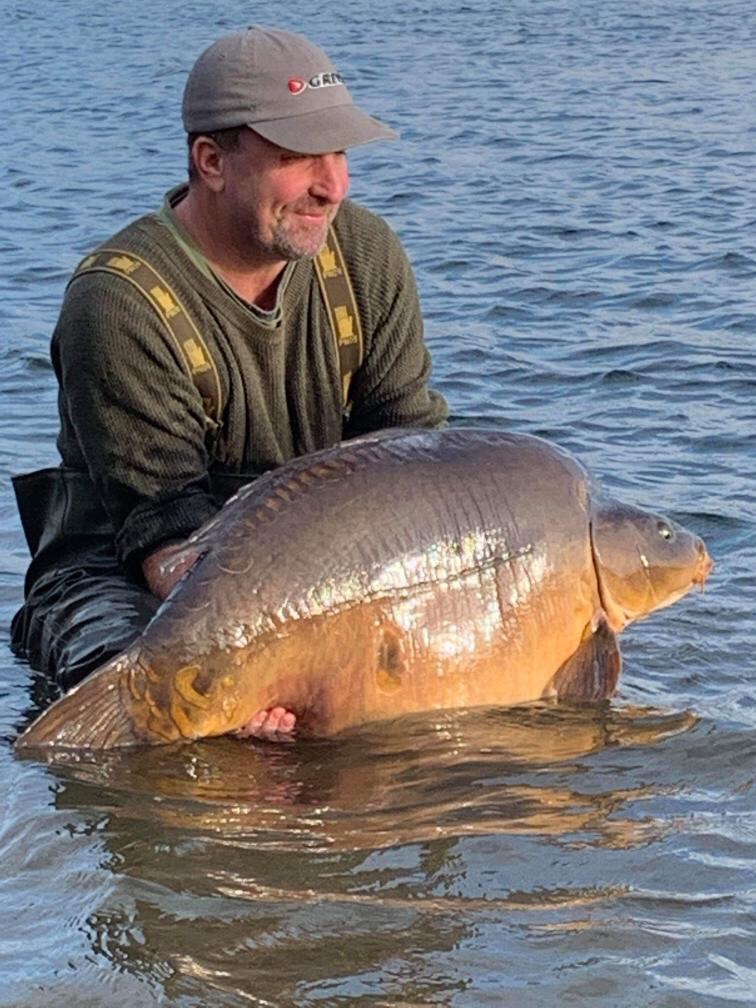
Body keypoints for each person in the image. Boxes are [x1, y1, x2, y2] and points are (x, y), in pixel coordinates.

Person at [11, 26, 448, 738]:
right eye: (297, 156)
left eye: (338, 152)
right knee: (160, 715)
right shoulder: (119, 301)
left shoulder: (367, 255)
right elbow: (164, 531)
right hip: (127, 568)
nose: (331, 185)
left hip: (318, 570)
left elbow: (413, 462)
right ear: (211, 161)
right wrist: (266, 658)